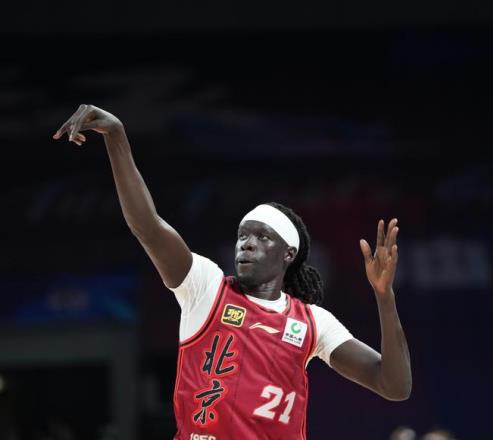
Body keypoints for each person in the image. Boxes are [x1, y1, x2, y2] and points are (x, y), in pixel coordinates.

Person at [53, 105, 412, 439]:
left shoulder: (313, 322)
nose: (247, 244)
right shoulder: (206, 287)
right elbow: (148, 227)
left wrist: (384, 296)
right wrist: (116, 136)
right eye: (243, 235)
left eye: (262, 237)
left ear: (288, 254)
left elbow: (394, 386)